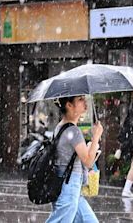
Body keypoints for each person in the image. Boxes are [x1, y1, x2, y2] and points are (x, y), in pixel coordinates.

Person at [46, 95, 103, 223]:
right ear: (69, 105)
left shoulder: (61, 127)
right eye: (80, 99)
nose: (85, 102)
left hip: (70, 187)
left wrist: (90, 147)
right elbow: (88, 161)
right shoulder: (73, 131)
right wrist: (96, 137)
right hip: (69, 188)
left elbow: (70, 156)